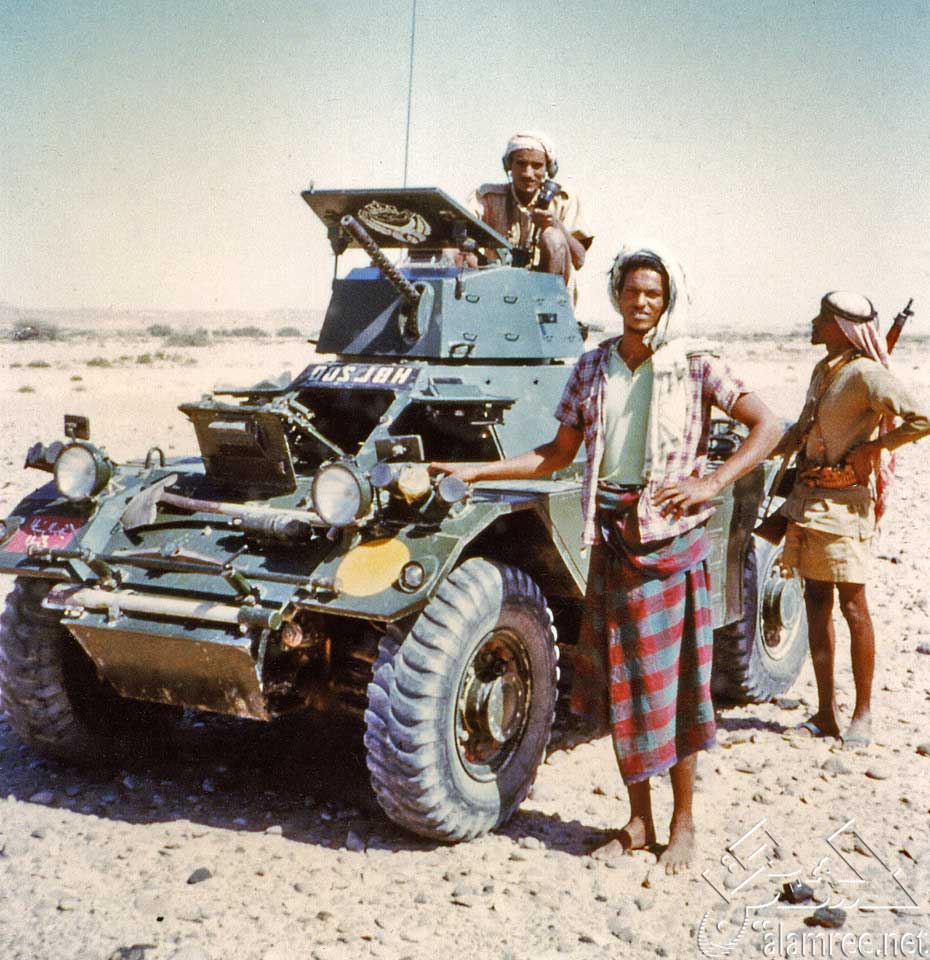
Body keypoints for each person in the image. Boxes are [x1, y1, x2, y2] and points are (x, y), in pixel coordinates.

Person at [432, 244, 780, 873]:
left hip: (670, 543)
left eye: (653, 293)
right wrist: (476, 470)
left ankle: (683, 822)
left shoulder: (696, 364)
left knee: (677, 688)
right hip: (614, 538)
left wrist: (710, 483)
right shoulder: (593, 367)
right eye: (631, 291)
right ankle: (638, 821)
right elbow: (556, 456)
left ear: (667, 300)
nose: (641, 302)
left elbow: (768, 426)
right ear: (617, 295)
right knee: (625, 684)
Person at [779, 291, 930, 747]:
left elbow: (921, 418)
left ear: (843, 328)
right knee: (815, 603)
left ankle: (862, 715)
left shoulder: (865, 374)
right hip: (809, 503)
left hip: (845, 508)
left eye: (822, 317)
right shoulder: (823, 370)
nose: (813, 322)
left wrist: (874, 449)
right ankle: (826, 713)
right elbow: (802, 429)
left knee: (853, 607)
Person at [466, 131, 593, 294]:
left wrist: (555, 224)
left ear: (549, 169)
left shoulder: (564, 200)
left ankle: (547, 304)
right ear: (509, 165)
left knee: (553, 237)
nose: (528, 173)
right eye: (521, 164)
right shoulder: (487, 197)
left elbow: (579, 259)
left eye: (537, 166)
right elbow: (461, 231)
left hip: (545, 292)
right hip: (498, 289)